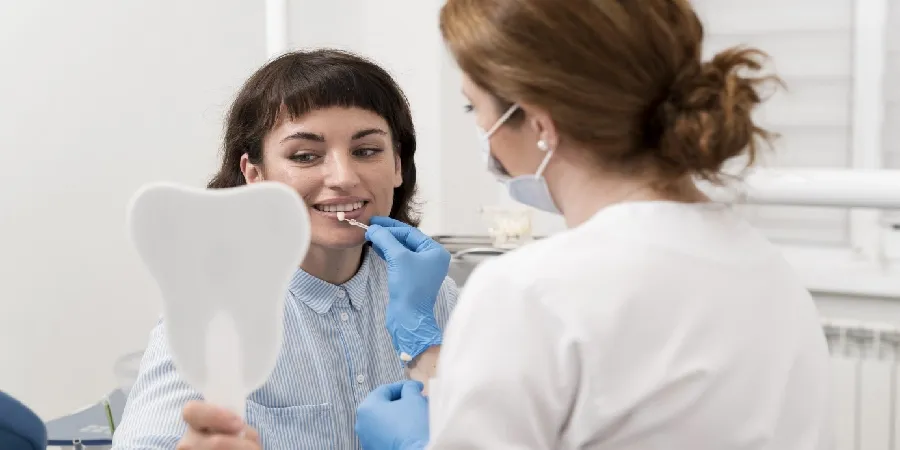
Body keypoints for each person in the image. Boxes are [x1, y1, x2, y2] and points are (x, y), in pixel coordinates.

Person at [354, 1, 833, 449]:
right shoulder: (771, 273)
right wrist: (429, 360)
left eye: (473, 107)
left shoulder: (531, 291)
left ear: (539, 122)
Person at [111, 49, 458, 450]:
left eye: (366, 151)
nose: (343, 178)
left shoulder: (432, 296)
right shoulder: (220, 306)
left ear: (397, 165)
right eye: (305, 156)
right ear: (255, 175)